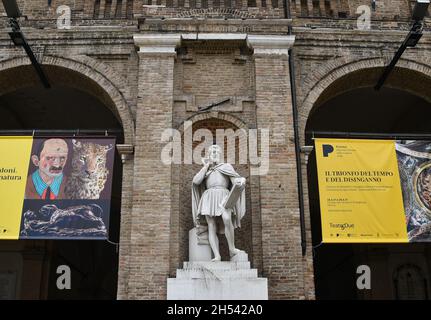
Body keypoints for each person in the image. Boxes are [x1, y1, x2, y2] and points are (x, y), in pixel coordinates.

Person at [191, 144, 246, 261]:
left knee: (227, 219)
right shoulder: (207, 170)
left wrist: (241, 180)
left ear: (220, 154)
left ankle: (231, 249)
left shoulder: (226, 166)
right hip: (209, 196)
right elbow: (196, 181)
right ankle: (217, 255)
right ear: (209, 155)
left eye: (216, 151)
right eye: (212, 152)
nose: (214, 153)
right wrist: (206, 166)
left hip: (223, 195)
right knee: (211, 225)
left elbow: (234, 180)